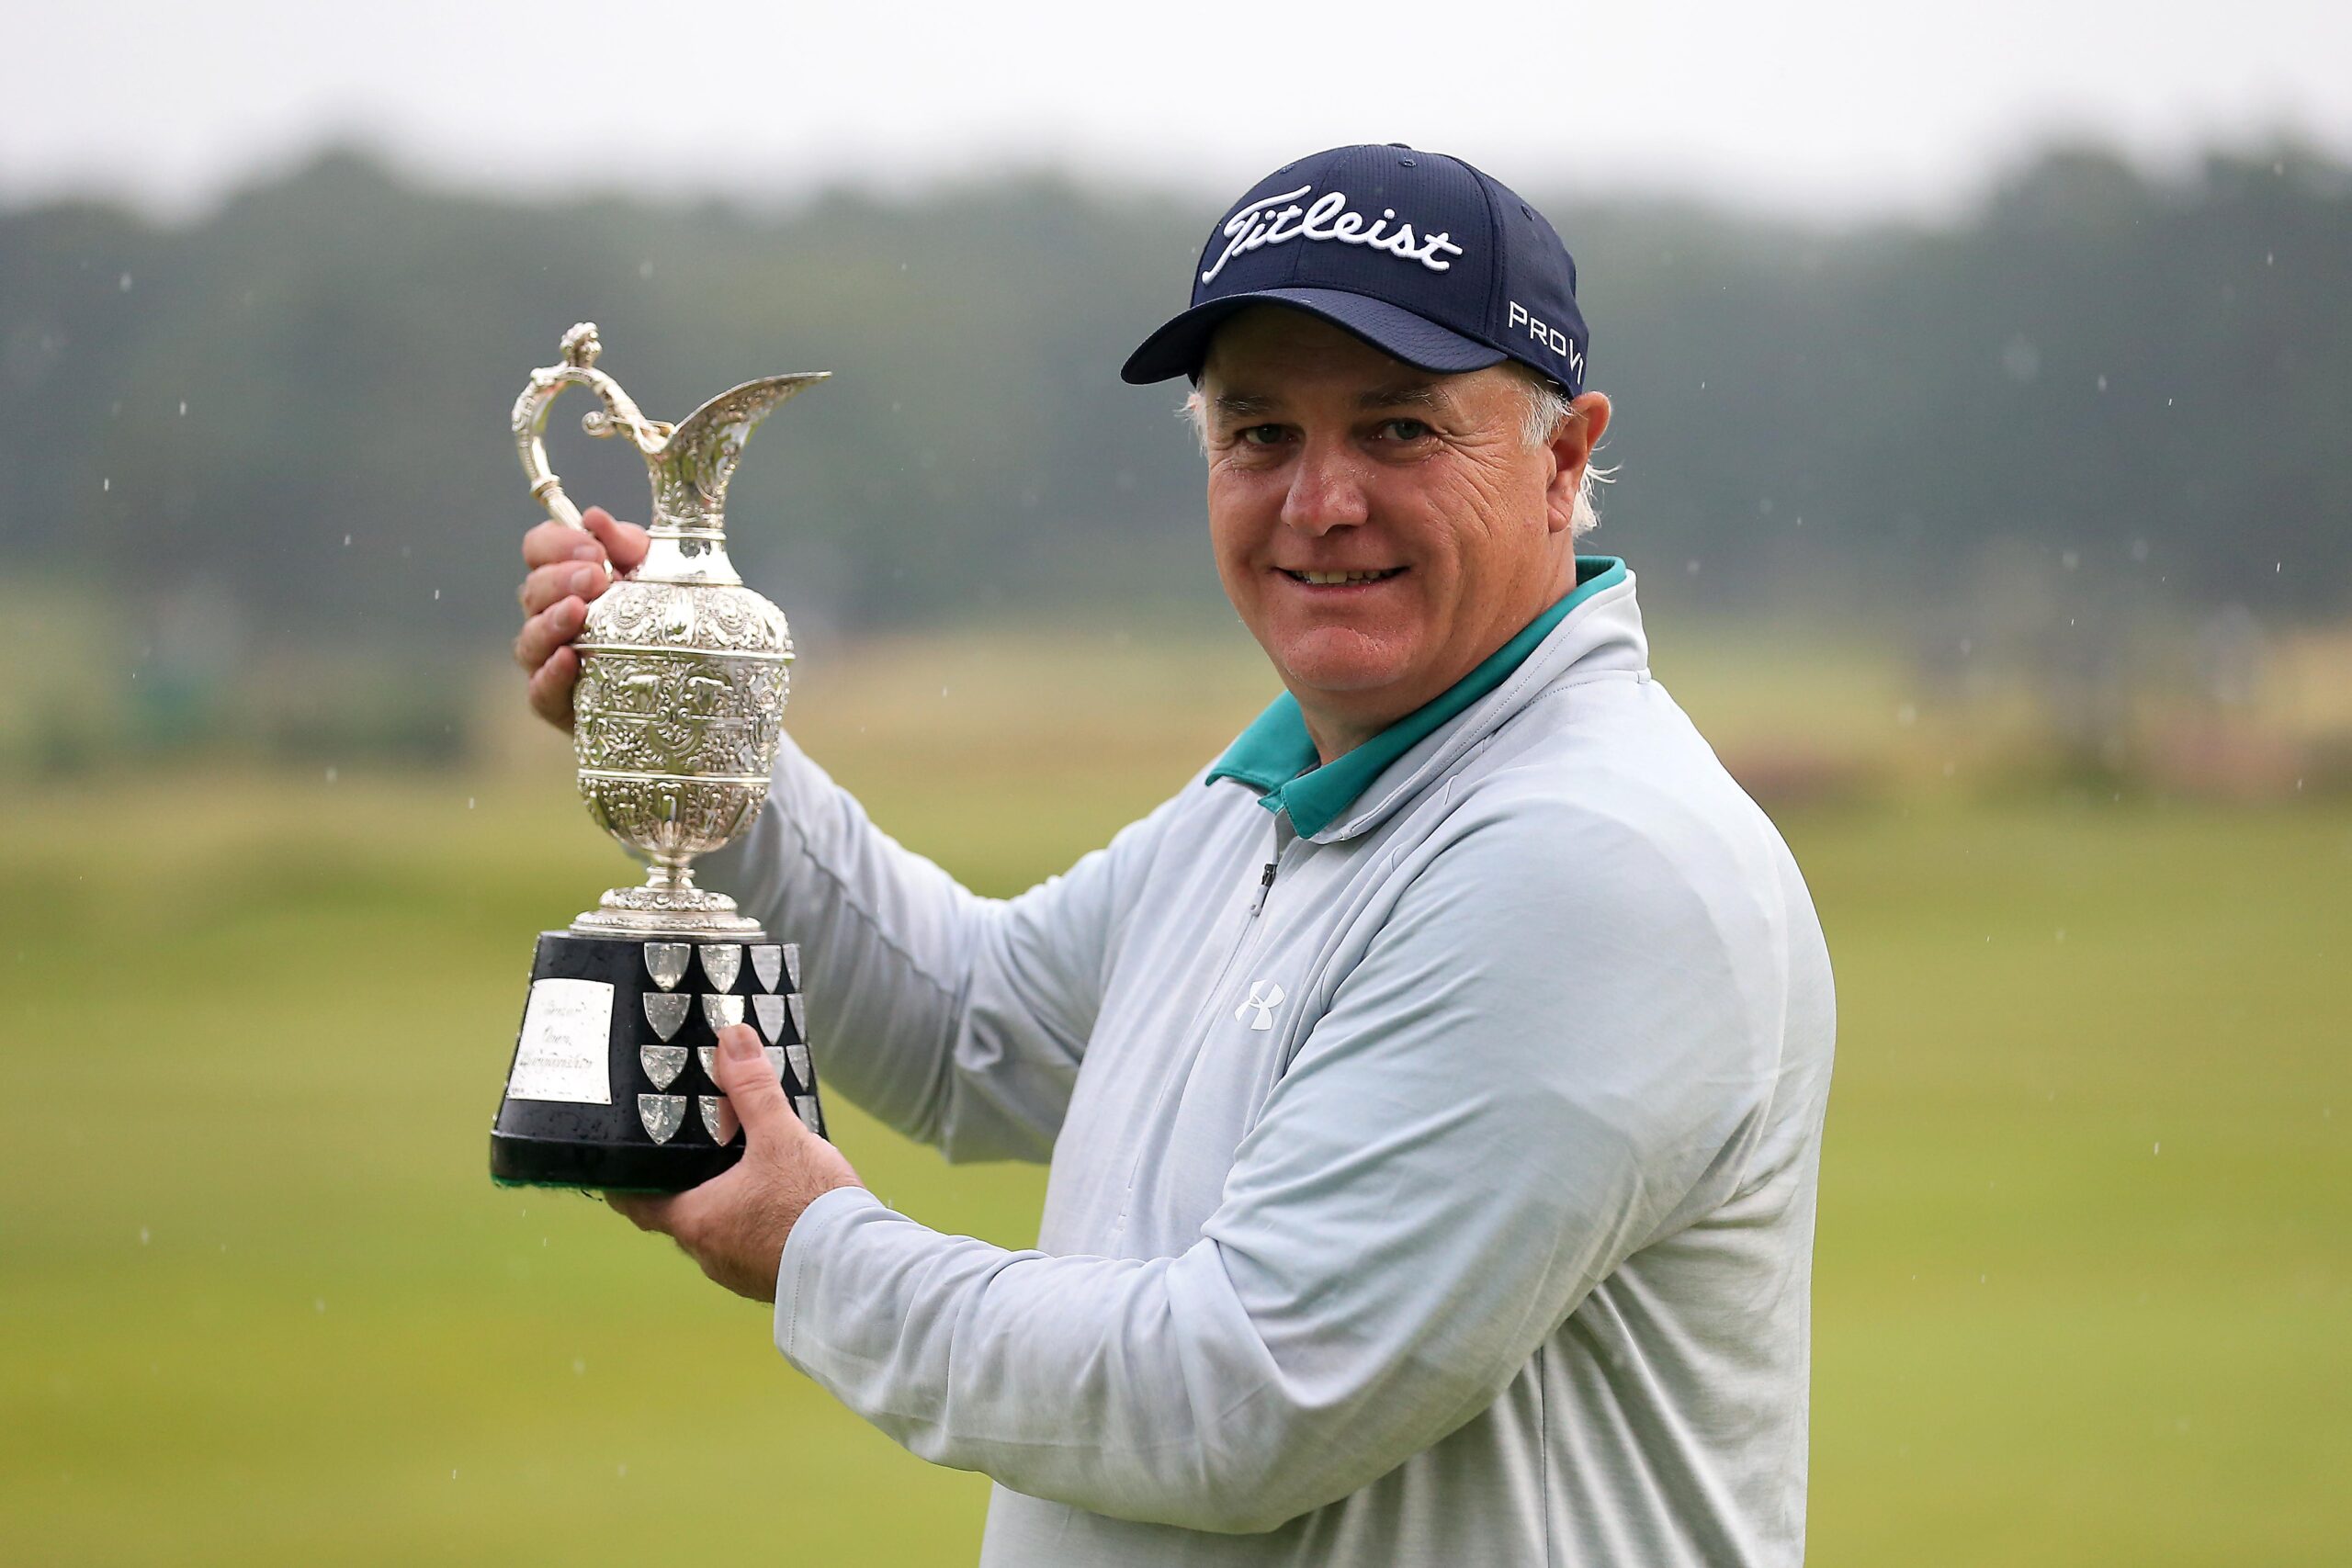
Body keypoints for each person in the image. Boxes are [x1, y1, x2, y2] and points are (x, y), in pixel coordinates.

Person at [510, 143, 1836, 1566]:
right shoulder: (1280, 791)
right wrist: (705, 731)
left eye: (1398, 430)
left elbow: (1246, 1393)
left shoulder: (1584, 854)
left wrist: (821, 1251)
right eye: (1260, 434)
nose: (1320, 501)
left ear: (1562, 460)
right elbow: (973, 1023)